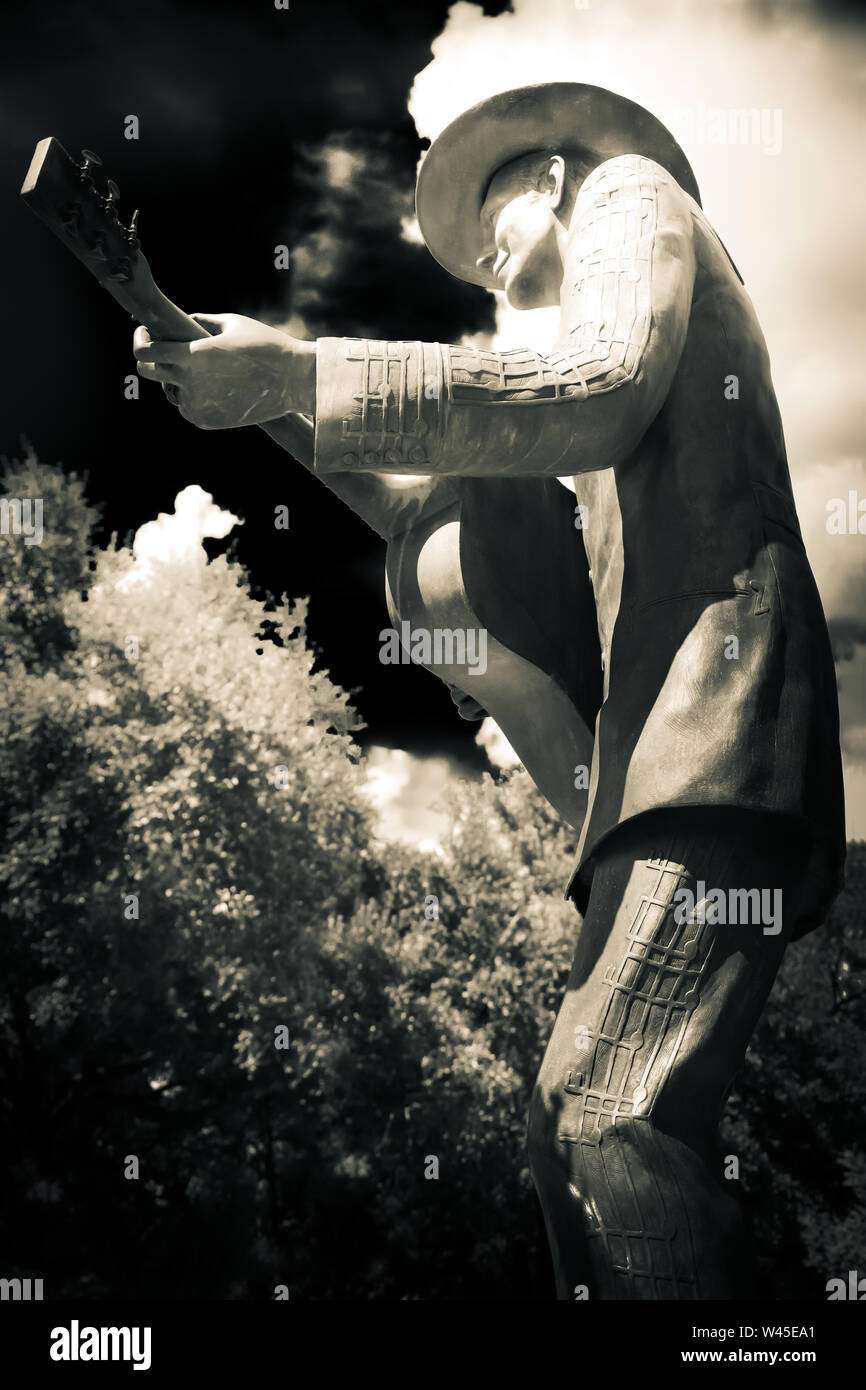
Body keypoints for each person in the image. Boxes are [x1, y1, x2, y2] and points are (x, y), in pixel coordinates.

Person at [134, 83, 845, 1299]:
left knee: (605, 1114)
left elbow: (594, 386)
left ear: (557, 177)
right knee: (566, 1124)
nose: (477, 261)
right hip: (658, 761)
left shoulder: (633, 194)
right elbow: (447, 519)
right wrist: (274, 397)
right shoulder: (598, 304)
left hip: (718, 730)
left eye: (489, 218)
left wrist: (304, 366)